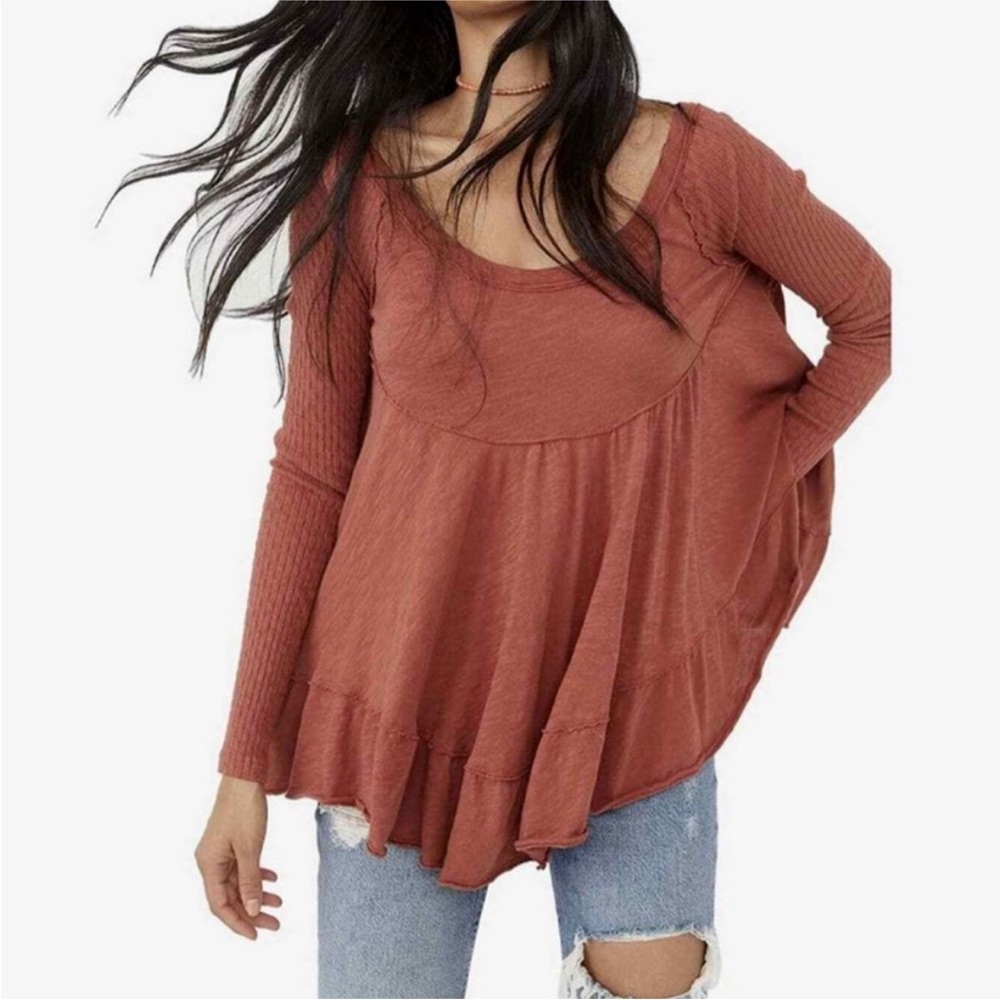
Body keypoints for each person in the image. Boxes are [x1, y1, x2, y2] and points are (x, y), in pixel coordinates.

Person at [109, 2, 891, 996]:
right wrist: (242, 764)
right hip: (401, 698)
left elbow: (869, 317)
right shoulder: (358, 180)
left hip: (628, 693)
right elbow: (312, 469)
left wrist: (739, 482)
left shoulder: (698, 162)